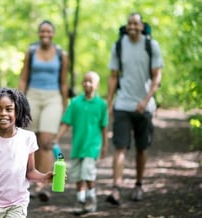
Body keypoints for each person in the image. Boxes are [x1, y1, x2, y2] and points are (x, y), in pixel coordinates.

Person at [0, 87, 54, 218]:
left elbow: (29, 172)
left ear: (17, 111)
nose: (3, 113)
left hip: (18, 202)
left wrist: (44, 177)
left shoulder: (28, 138)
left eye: (9, 109)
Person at [106, 13, 163, 205]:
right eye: (129, 23)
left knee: (141, 147)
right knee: (119, 146)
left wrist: (146, 100)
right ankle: (116, 188)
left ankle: (139, 185)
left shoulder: (151, 45)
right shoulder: (119, 46)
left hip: (144, 106)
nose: (132, 26)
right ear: (126, 25)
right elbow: (113, 76)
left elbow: (157, 76)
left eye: (135, 24)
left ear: (141, 26)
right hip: (123, 103)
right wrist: (109, 101)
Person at [18, 20, 69, 201]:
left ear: (53, 34)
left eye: (49, 31)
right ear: (39, 33)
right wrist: (20, 100)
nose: (45, 34)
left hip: (53, 98)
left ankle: (44, 185)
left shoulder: (61, 54)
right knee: (33, 142)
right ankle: (32, 180)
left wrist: (65, 106)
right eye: (42, 31)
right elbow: (23, 78)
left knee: (47, 142)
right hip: (32, 96)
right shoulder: (31, 52)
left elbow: (64, 82)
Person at [53, 71, 108, 215]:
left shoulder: (101, 104)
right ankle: (80, 199)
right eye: (85, 81)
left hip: (92, 146)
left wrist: (105, 146)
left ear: (97, 85)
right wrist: (57, 137)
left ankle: (91, 198)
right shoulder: (76, 103)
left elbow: (104, 127)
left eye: (91, 81)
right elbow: (66, 122)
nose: (87, 84)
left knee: (88, 173)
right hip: (78, 146)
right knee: (77, 175)